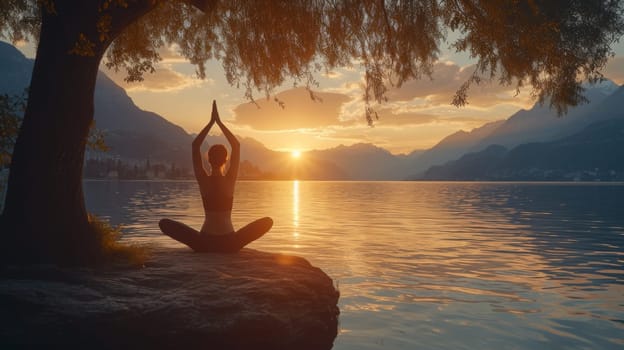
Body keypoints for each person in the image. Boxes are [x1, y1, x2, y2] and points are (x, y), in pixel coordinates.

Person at [159, 100, 272, 253]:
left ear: (208, 159)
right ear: (226, 160)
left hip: (204, 242)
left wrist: (211, 122)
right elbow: (236, 145)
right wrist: (219, 122)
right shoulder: (230, 179)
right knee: (267, 222)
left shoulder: (203, 179)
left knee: (164, 223)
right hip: (230, 243)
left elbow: (195, 146)